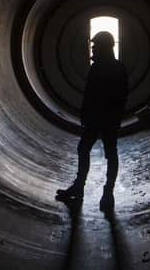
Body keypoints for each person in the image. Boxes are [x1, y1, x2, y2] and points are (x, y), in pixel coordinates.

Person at [56, 31, 128, 211]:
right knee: (109, 153)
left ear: (104, 47)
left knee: (88, 149)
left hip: (99, 117)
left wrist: (86, 114)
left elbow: (92, 94)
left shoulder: (99, 68)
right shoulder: (118, 68)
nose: (93, 49)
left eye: (96, 46)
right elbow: (121, 97)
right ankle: (105, 192)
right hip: (108, 118)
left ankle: (82, 188)